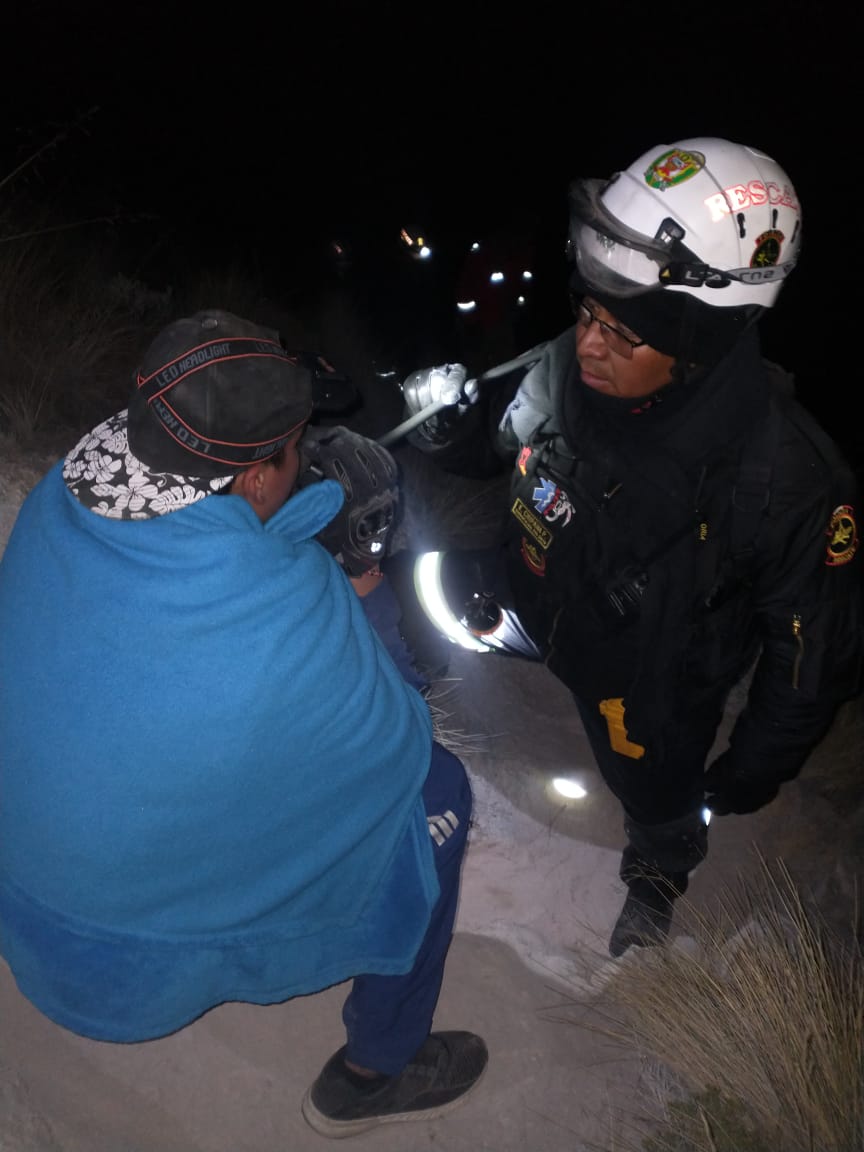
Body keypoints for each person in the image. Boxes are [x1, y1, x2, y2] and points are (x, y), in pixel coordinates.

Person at [0, 309, 487, 1138]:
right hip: (119, 969)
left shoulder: (69, 484)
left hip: (26, 907)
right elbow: (400, 733)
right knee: (440, 795)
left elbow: (211, 551)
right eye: (295, 448)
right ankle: (375, 1070)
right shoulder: (287, 611)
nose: (302, 460)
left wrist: (297, 526)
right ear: (260, 477)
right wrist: (361, 572)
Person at [390, 136, 864, 958]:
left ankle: (657, 875)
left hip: (640, 683)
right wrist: (450, 427)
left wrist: (741, 778)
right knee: (396, 593)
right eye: (585, 312)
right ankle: (385, 733)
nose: (589, 345)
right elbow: (488, 452)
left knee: (655, 790)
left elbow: (806, 668)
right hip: (524, 597)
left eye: (622, 331)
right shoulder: (570, 366)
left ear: (702, 337)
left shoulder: (788, 480)